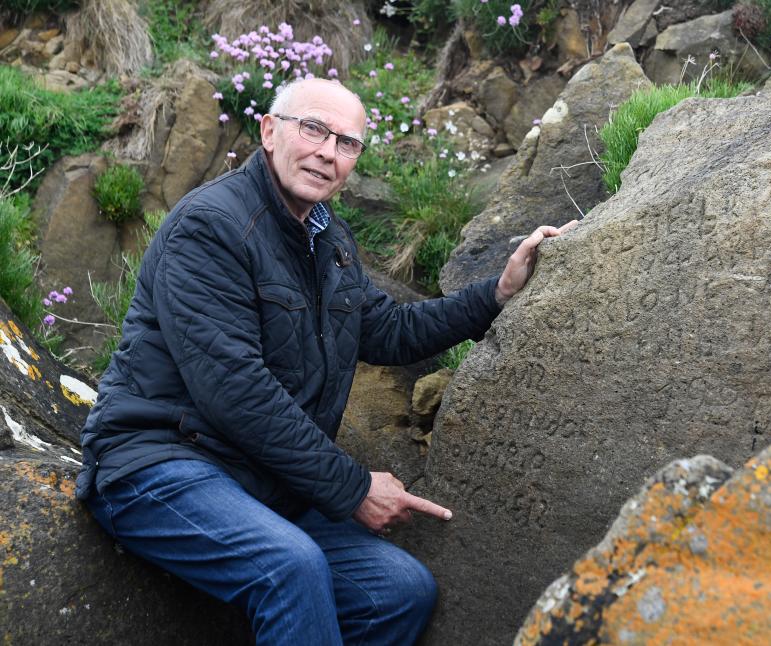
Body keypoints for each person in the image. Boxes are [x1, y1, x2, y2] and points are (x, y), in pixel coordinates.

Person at [76, 77, 576, 645]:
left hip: (258, 480)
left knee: (400, 591)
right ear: (269, 130)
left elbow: (389, 330)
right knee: (291, 567)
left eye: (347, 143)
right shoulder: (210, 226)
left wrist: (497, 295)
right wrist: (354, 487)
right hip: (157, 466)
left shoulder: (328, 237)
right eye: (313, 129)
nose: (327, 153)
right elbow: (236, 391)